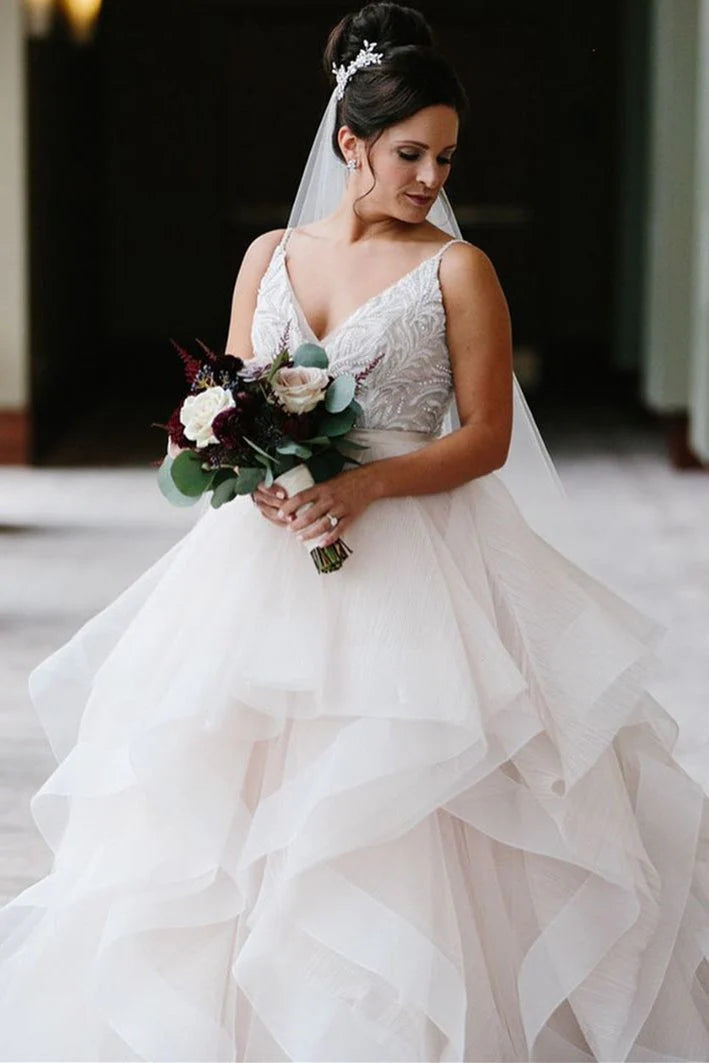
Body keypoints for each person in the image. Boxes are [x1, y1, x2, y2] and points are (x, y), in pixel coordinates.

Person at [1, 2, 708, 1060]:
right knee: (230, 813)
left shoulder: (458, 272)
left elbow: (485, 440)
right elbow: (230, 393)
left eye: (447, 157)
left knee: (406, 807)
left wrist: (366, 491)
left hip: (415, 555)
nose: (431, 179)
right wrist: (236, 469)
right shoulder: (269, 254)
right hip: (262, 563)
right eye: (411, 154)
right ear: (350, 145)